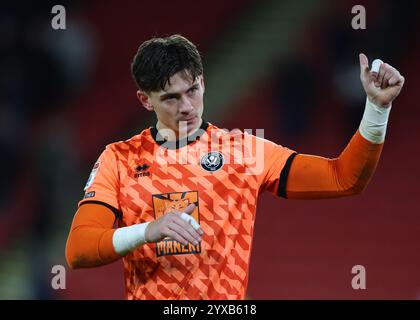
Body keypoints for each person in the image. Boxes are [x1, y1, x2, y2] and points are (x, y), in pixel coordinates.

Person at [65, 35, 405, 299]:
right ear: (145, 99)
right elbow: (78, 250)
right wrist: (147, 231)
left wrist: (376, 110)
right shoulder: (120, 158)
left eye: (193, 90)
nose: (187, 106)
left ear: (203, 81)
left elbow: (343, 178)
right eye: (171, 97)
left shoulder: (244, 151)